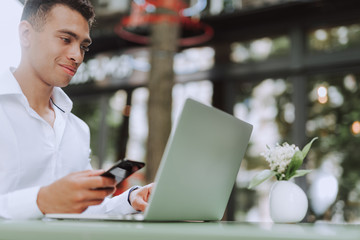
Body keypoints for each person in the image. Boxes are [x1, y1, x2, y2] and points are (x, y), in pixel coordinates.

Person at [0, 0, 152, 219]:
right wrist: (41, 200)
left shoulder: (77, 129)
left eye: (83, 46)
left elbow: (83, 208)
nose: (77, 56)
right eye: (65, 39)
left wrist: (130, 199)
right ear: (26, 34)